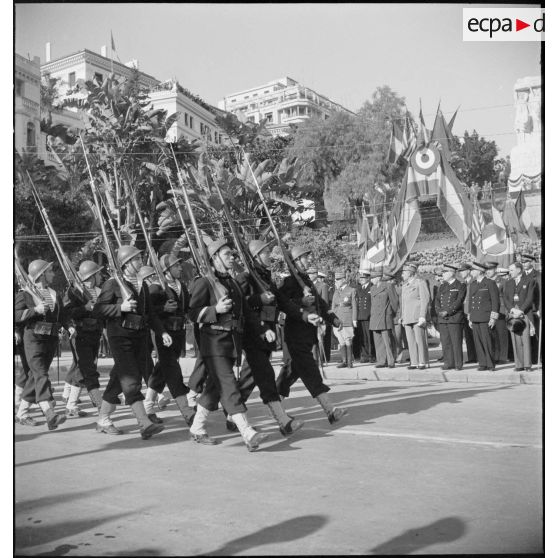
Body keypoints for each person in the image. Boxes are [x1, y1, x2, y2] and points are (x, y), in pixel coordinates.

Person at [188, 238, 269, 451]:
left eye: (233, 255)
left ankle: (197, 428)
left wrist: (263, 329)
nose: (232, 258)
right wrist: (215, 310)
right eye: (227, 255)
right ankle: (247, 432)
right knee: (229, 385)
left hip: (232, 342)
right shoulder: (203, 282)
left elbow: (246, 313)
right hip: (213, 344)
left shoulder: (231, 283)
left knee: (213, 390)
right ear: (214, 258)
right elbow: (192, 312)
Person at [92, 245, 170, 439]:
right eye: (136, 259)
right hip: (120, 337)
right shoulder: (112, 284)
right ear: (126, 263)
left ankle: (103, 419)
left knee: (119, 379)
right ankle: (144, 422)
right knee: (131, 380)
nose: (140, 261)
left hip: (140, 337)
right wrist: (121, 307)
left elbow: (150, 314)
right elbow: (98, 310)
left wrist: (162, 332)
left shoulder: (141, 284)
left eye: (139, 258)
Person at [233, 240, 304, 437]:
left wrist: (303, 313)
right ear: (255, 257)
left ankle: (231, 412)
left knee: (249, 377)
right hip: (253, 334)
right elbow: (239, 303)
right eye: (265, 253)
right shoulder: (245, 277)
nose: (269, 257)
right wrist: (259, 299)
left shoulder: (265, 277)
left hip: (268, 333)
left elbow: (283, 302)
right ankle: (282, 420)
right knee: (266, 376)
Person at [277, 245, 348, 424]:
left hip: (307, 336)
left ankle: (275, 405)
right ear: (296, 262)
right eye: (304, 257)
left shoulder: (306, 281)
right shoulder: (288, 283)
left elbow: (320, 304)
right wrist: (300, 302)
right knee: (311, 371)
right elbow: (283, 304)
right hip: (295, 335)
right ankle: (330, 410)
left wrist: (333, 319)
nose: (308, 260)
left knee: (290, 373)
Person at [15, 260, 69, 430]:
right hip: (33, 339)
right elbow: (14, 314)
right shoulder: (25, 293)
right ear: (41, 274)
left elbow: (60, 316)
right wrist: (34, 311)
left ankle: (21, 413)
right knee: (40, 374)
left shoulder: (53, 293)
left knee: (35, 376)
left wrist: (66, 327)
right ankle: (49, 412)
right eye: (50, 271)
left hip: (50, 339)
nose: (53, 274)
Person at [144, 254, 197, 427]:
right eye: (176, 266)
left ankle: (148, 407)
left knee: (161, 370)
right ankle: (187, 412)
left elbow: (188, 307)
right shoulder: (155, 287)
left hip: (178, 333)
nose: (180, 268)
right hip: (163, 333)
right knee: (173, 372)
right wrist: (163, 308)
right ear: (166, 270)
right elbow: (148, 313)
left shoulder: (180, 285)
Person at [63, 260, 106, 417]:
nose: (100, 276)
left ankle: (71, 405)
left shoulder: (100, 291)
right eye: (98, 274)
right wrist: (84, 308)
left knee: (82, 369)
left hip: (95, 334)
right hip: (80, 334)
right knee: (88, 370)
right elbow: (66, 313)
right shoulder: (74, 292)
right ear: (92, 276)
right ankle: (99, 404)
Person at [466, 261, 500, 372]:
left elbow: (495, 301)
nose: (471, 272)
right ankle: (482, 363)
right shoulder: (473, 284)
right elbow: (471, 301)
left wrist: (493, 318)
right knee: (478, 342)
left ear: (480, 271)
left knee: (487, 341)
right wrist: (470, 317)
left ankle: (490, 364)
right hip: (475, 317)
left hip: (486, 317)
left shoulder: (490, 283)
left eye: (473, 270)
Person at [503, 262, 534, 372]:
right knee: (515, 340)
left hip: (524, 313)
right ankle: (519, 364)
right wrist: (512, 309)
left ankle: (527, 365)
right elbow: (505, 297)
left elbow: (530, 298)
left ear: (519, 270)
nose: (509, 272)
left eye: (511, 270)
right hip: (512, 314)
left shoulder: (529, 280)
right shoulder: (508, 282)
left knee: (525, 340)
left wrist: (520, 311)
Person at [434, 264, 467, 371]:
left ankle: (458, 364)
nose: (443, 274)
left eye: (445, 272)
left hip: (454, 317)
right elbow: (437, 301)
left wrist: (447, 312)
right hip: (443, 318)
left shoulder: (460, 285)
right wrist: (439, 311)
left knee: (456, 342)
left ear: (452, 273)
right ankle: (448, 363)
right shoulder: (443, 286)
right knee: (446, 342)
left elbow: (459, 301)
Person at [400, 262, 430, 370]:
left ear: (410, 273)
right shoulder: (404, 285)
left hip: (417, 315)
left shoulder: (420, 283)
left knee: (420, 339)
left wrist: (423, 315)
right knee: (410, 340)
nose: (402, 274)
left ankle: (423, 361)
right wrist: (402, 316)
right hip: (407, 316)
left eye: (404, 272)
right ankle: (414, 361)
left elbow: (425, 299)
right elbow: (403, 303)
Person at [369, 271, 398, 368]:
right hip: (375, 317)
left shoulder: (388, 286)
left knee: (387, 341)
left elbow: (394, 302)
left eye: (373, 278)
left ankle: (391, 361)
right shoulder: (372, 288)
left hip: (385, 316)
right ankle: (381, 361)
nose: (371, 280)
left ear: (378, 277)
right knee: (378, 341)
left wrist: (392, 314)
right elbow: (372, 304)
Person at [331, 270, 357, 368]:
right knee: (341, 341)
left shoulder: (351, 290)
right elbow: (333, 307)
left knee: (348, 340)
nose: (336, 281)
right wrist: (332, 319)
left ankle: (350, 362)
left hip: (347, 318)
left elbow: (354, 306)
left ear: (343, 280)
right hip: (337, 319)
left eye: (338, 280)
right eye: (335, 280)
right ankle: (344, 361)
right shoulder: (336, 292)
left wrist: (354, 320)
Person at [488, 264, 509, 364]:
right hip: (489, 311)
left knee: (501, 335)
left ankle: (503, 357)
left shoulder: (503, 281)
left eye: (490, 269)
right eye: (486, 269)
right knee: (493, 335)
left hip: (501, 311)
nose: (488, 271)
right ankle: (495, 356)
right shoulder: (486, 281)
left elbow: (506, 297)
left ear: (495, 270)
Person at [457, 263, 477, 363]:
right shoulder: (463, 283)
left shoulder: (474, 281)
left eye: (462, 271)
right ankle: (472, 357)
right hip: (464, 311)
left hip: (473, 311)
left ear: (468, 271)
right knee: (468, 336)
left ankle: (478, 356)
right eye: (460, 271)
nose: (461, 273)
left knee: (475, 335)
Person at [355, 269, 375, 363]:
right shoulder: (359, 288)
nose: (361, 279)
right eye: (360, 277)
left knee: (369, 337)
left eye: (363, 277)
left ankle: (372, 355)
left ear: (368, 278)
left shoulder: (372, 287)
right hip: (360, 316)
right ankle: (364, 355)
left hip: (369, 316)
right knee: (362, 337)